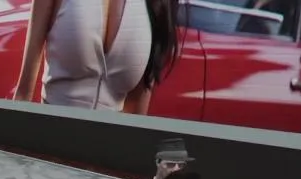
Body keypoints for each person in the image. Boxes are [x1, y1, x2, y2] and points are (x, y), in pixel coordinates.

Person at [11, 0, 181, 113]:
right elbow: (23, 94)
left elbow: (136, 117)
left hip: (109, 152)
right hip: (48, 146)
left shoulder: (156, 4)